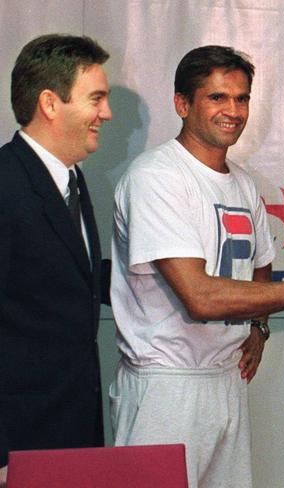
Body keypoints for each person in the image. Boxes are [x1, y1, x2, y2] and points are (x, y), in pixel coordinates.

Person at [109, 45, 284, 488]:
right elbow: (201, 297)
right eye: (217, 97)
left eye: (242, 98)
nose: (233, 110)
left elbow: (261, 264)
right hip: (165, 387)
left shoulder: (244, 183)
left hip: (225, 380)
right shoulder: (156, 177)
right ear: (182, 104)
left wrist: (259, 326)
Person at [0, 34, 112, 485]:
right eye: (97, 98)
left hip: (73, 431)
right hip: (18, 445)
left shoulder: (73, 181)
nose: (106, 113)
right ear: (50, 103)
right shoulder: (5, 184)